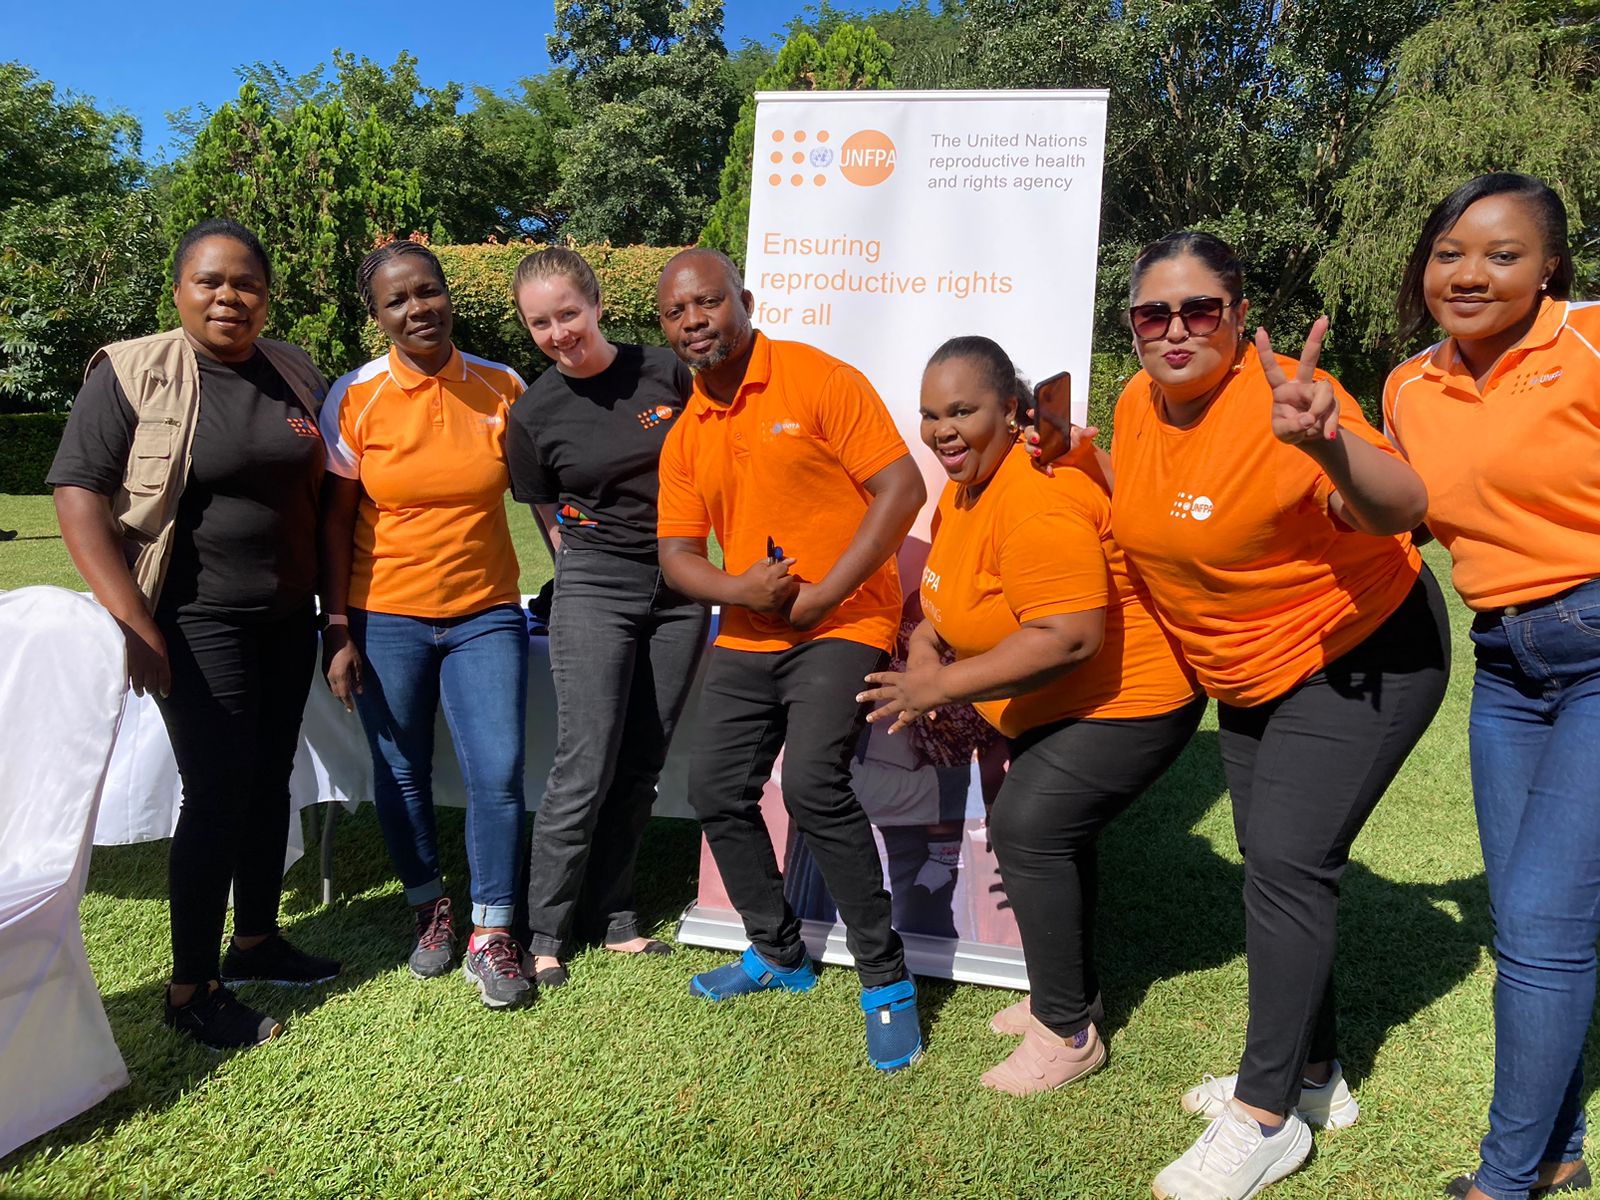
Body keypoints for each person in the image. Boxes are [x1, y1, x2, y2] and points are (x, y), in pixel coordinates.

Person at [1102, 231, 1451, 1199]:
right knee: (1275, 869)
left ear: (1237, 316)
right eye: (1151, 313)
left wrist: (1329, 445)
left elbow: (1398, 509)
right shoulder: (1133, 404)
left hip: (1362, 654)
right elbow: (1151, 517)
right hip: (1250, 673)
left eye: (1198, 310)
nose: (1174, 330)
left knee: (1289, 867)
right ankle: (1311, 1075)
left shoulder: (1293, 404)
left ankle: (1261, 1121)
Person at [859, 336, 1204, 1094]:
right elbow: (944, 611)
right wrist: (922, 655)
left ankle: (1068, 1034)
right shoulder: (964, 492)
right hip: (1062, 709)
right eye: (929, 414)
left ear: (1011, 410)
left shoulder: (1037, 496)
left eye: (962, 411)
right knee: (1046, 831)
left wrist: (936, 691)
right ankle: (1067, 998)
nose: (942, 430)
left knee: (1029, 828)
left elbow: (1069, 634)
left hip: (1132, 701)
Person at [49, 218, 340, 1050]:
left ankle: (255, 941)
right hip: (191, 617)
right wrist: (134, 623)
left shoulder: (291, 370)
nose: (229, 297)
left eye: (246, 283)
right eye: (210, 281)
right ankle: (190, 989)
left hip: (286, 616)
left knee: (270, 777)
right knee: (216, 792)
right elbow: (78, 495)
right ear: (178, 290)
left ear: (267, 296)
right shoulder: (133, 370)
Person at [652, 248, 929, 1072]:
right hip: (748, 631)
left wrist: (821, 594)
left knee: (812, 783)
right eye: (676, 312)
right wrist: (742, 587)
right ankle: (776, 952)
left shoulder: (816, 378)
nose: (695, 320)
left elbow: (901, 490)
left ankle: (886, 980)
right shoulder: (687, 432)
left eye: (709, 302)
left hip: (847, 621)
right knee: (715, 790)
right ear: (664, 325)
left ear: (745, 298)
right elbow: (676, 556)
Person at [1381, 174, 1597, 1200]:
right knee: (1525, 925)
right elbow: (1400, 521)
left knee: (1546, 927)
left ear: (1550, 263)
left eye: (1502, 255)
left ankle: (1501, 1180)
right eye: (1447, 253)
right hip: (1506, 666)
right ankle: (1555, 1149)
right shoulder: (1407, 387)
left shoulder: (1591, 340)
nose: (1468, 274)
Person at [318, 240, 531, 1010]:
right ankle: (430, 909)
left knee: (498, 770)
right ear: (377, 316)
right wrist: (336, 627)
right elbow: (334, 521)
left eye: (428, 292)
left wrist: (576, 561)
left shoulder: (502, 385)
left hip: (486, 613)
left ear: (449, 295)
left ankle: (493, 931)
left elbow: (541, 491)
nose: (418, 309)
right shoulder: (355, 396)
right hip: (386, 615)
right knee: (401, 768)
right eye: (397, 300)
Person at [506, 247, 709, 988]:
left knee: (643, 761)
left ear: (596, 305)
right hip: (596, 583)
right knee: (584, 762)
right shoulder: (531, 413)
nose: (558, 333)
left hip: (683, 587)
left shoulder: (667, 372)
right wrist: (582, 572)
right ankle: (545, 930)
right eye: (540, 324)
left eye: (567, 313)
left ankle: (614, 914)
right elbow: (541, 506)